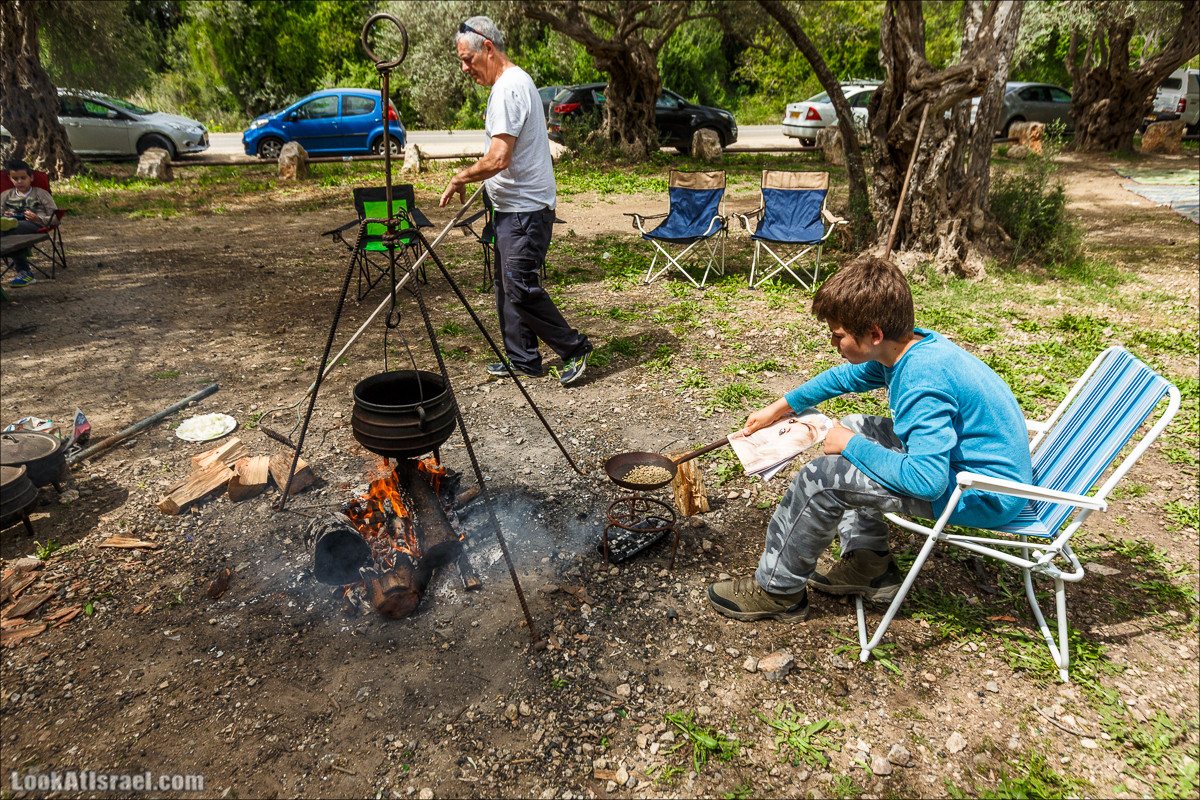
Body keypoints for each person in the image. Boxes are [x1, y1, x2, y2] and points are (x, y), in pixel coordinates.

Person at [707, 254, 1033, 623]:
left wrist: (849, 445)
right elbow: (842, 379)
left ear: (874, 334)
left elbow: (927, 481)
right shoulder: (913, 348)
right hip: (981, 471)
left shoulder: (921, 382)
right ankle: (870, 564)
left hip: (982, 493)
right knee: (853, 423)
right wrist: (780, 406)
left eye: (838, 334)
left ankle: (778, 592)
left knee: (820, 478)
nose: (833, 342)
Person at [439, 16, 593, 386]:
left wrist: (461, 176)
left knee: (519, 285)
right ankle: (523, 358)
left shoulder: (508, 89)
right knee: (506, 285)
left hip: (525, 211)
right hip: (514, 208)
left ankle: (574, 349)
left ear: (488, 48)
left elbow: (498, 158)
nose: (464, 68)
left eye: (467, 60)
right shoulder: (516, 81)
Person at [1, 159, 57, 287]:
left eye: (23, 178)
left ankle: (24, 272)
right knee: (6, 228)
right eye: (15, 178)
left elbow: (56, 217)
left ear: (31, 177)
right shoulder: (5, 196)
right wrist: (4, 215)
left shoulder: (41, 194)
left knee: (7, 230)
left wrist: (38, 218)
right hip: (9, 224)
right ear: (10, 179)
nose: (19, 181)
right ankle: (24, 272)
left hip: (35, 224)